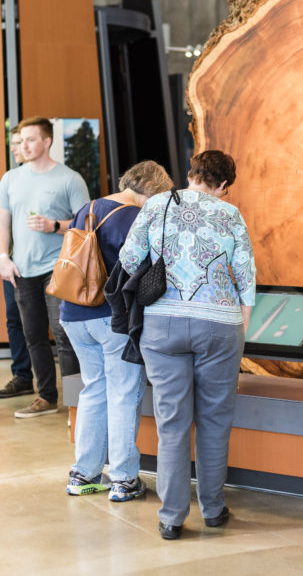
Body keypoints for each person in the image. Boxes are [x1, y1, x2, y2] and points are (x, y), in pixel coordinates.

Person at [119, 149, 256, 540]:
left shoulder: (158, 204)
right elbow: (246, 278)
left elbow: (129, 259)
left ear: (191, 173)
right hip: (220, 327)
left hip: (163, 326)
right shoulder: (230, 214)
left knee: (172, 425)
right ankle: (213, 509)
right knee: (214, 422)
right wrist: (240, 332)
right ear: (225, 185)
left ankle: (171, 517)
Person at [60, 160, 173, 501]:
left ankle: (84, 474)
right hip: (111, 317)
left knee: (94, 389)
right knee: (124, 393)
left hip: (73, 313)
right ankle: (124, 479)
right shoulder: (133, 217)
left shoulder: (88, 207)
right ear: (151, 188)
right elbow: (145, 269)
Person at [0, 116, 90, 418]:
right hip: (22, 271)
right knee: (33, 335)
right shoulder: (10, 179)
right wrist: (3, 257)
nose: (23, 145)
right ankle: (46, 398)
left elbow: (87, 225)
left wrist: (55, 226)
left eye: (30, 139)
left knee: (64, 336)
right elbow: (4, 222)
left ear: (47, 141)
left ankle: (77, 403)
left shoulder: (69, 179)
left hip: (58, 270)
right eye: (21, 140)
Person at [0, 128, 34, 398]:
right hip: (13, 263)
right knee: (14, 319)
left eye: (19, 143)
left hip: (42, 263)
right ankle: (22, 376)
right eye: (13, 144)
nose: (15, 148)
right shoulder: (10, 179)